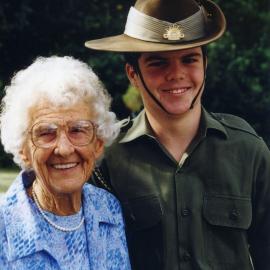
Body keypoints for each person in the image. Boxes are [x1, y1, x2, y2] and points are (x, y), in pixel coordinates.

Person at [85, 0, 270, 269]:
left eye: (189, 59)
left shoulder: (248, 151)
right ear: (133, 74)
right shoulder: (106, 159)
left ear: (205, 64)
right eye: (158, 63)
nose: (176, 74)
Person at [0, 56, 131, 270]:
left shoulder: (109, 210)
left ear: (98, 143)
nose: (64, 149)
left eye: (78, 130)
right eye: (46, 133)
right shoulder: (4, 227)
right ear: (23, 149)